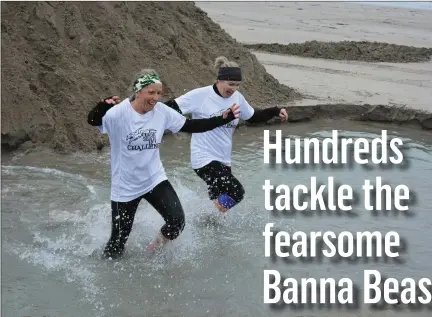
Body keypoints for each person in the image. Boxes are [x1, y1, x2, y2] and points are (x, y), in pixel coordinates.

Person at [103, 56, 288, 215]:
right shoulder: (201, 95)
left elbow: (253, 117)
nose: (233, 89)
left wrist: (275, 110)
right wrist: (136, 113)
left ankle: (205, 224)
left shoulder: (237, 98)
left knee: (219, 207)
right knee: (236, 192)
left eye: (237, 85)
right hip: (204, 159)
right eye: (230, 84)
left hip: (224, 161)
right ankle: (202, 218)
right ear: (219, 80)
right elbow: (169, 107)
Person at [87, 68, 240, 259]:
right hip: (125, 187)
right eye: (151, 92)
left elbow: (191, 125)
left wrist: (222, 119)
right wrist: (102, 106)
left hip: (154, 180)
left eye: (159, 93)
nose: (155, 98)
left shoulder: (161, 112)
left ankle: (152, 249)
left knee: (177, 222)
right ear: (138, 91)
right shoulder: (119, 113)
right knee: (117, 244)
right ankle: (107, 275)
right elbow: (93, 120)